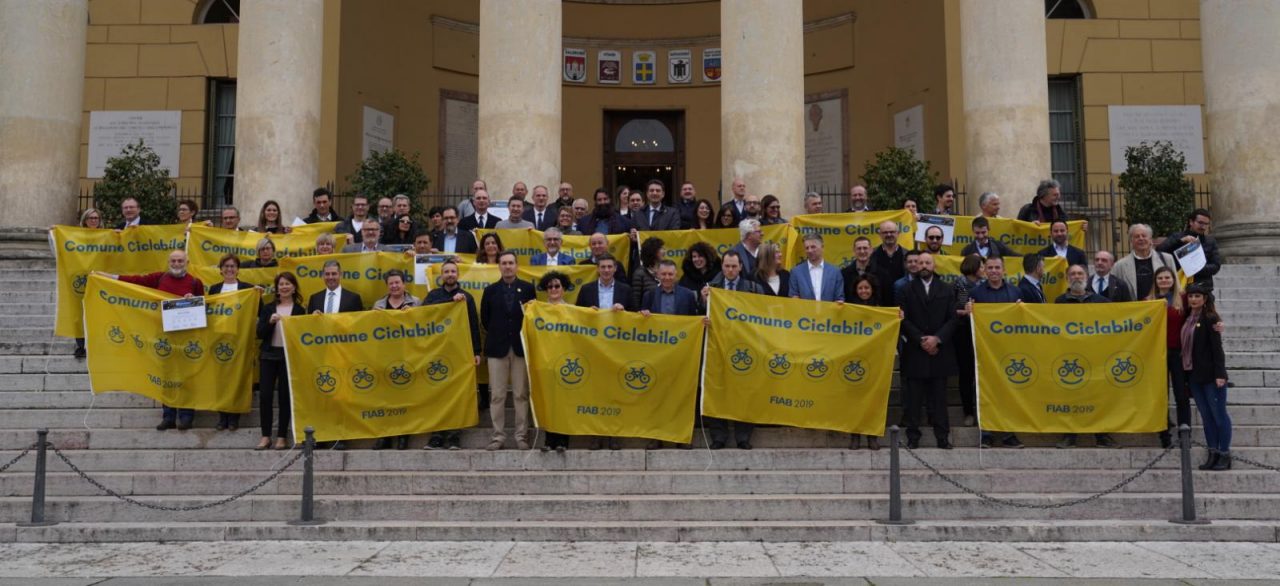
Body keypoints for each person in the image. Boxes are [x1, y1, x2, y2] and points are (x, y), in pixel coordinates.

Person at [94, 250, 204, 430]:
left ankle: (186, 416)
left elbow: (204, 306)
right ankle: (168, 415)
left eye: (180, 261)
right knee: (166, 377)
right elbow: (134, 281)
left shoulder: (195, 282)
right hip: (162, 337)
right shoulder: (159, 278)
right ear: (168, 262)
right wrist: (107, 277)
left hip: (186, 338)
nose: (177, 263)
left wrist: (194, 300)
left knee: (186, 378)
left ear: (187, 262)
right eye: (173, 261)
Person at [701, 251, 763, 450]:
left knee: (744, 392)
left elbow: (764, 316)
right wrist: (703, 304)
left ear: (741, 267)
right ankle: (718, 436)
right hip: (717, 346)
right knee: (716, 390)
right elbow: (696, 316)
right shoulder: (711, 288)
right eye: (727, 266)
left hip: (745, 347)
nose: (730, 270)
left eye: (734, 266)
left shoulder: (754, 289)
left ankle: (743, 436)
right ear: (722, 267)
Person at [1054, 264, 1119, 449]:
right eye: (1072, 274)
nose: (1076, 277)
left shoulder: (1102, 302)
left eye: (1080, 273)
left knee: (1098, 397)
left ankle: (1102, 435)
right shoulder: (1059, 302)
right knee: (1070, 398)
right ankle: (1069, 435)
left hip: (1096, 359)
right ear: (1067, 278)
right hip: (1069, 358)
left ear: (1087, 276)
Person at [965, 255, 1025, 449]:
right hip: (986, 353)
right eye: (989, 268)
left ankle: (1009, 433)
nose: (993, 271)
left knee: (1009, 393)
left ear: (1004, 270)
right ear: (984, 270)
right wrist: (969, 311)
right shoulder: (976, 293)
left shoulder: (1016, 292)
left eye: (997, 268)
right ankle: (987, 434)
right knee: (986, 392)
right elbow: (971, 323)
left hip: (1009, 351)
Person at [641, 259, 701, 450]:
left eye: (670, 274)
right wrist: (641, 316)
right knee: (656, 397)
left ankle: (681, 437)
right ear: (658, 275)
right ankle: (655, 436)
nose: (667, 278)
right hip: (656, 356)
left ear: (676, 275)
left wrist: (701, 323)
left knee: (681, 396)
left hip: (681, 355)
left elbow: (694, 320)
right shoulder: (649, 295)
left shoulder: (688, 295)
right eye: (663, 274)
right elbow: (639, 321)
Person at [898, 252, 956, 449]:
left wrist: (937, 339)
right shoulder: (906, 289)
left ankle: (942, 437)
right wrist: (921, 340)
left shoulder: (947, 289)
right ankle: (913, 437)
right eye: (920, 262)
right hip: (916, 351)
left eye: (927, 262)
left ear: (934, 265)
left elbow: (952, 319)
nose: (923, 265)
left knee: (939, 398)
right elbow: (903, 318)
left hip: (939, 352)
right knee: (914, 399)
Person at [423, 260, 483, 450]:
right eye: (446, 271)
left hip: (460, 352)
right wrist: (450, 302)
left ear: (458, 274)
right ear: (441, 275)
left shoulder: (467, 297)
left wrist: (476, 351)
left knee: (458, 395)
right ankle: (437, 435)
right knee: (437, 395)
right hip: (437, 353)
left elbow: (474, 325)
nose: (450, 274)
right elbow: (423, 316)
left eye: (453, 271)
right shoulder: (432, 296)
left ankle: (454, 436)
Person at [480, 251, 537, 450]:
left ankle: (521, 436)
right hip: (497, 348)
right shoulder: (490, 291)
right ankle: (498, 437)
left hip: (521, 348)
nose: (507, 266)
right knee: (497, 395)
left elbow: (531, 318)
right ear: (499, 266)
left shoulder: (528, 289)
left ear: (517, 265)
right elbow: (485, 320)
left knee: (521, 393)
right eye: (503, 263)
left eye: (511, 263)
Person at [305, 260, 364, 450]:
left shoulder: (353, 298)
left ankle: (341, 436)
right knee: (322, 397)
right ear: (323, 276)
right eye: (327, 274)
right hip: (320, 356)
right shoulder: (314, 298)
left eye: (334, 274)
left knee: (342, 398)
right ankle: (321, 435)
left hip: (344, 355)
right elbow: (307, 330)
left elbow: (359, 328)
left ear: (341, 275)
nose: (330, 277)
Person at [1183, 283, 1232, 471]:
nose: (1193, 299)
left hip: (1212, 376)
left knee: (1219, 415)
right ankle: (1212, 452)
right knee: (1206, 416)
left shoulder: (1210, 318)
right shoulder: (1188, 319)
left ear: (1204, 300)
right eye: (1190, 296)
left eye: (1197, 296)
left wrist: (1220, 374)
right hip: (1194, 375)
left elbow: (1217, 350)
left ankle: (1224, 454)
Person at [256, 272, 305, 451]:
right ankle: (265, 435)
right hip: (268, 356)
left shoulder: (300, 310)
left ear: (293, 287)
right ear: (277, 288)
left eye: (287, 284)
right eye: (281, 284)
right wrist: (269, 322)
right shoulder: (269, 308)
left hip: (288, 358)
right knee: (265, 396)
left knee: (285, 397)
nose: (284, 287)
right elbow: (259, 333)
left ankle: (282, 436)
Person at [371, 270, 419, 451]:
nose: (394, 286)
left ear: (404, 284)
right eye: (391, 283)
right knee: (385, 399)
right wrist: (372, 316)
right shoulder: (379, 304)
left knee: (404, 397)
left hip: (408, 356)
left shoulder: (415, 302)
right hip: (384, 356)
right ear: (387, 286)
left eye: (397, 282)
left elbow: (424, 326)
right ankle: (385, 435)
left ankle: (403, 435)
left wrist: (414, 314)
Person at [208, 254, 253, 432]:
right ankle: (222, 417)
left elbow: (255, 311)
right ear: (220, 269)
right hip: (218, 339)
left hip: (239, 339)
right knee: (220, 381)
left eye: (233, 266)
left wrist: (256, 294)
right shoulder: (214, 289)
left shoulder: (247, 288)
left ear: (238, 269)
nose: (229, 269)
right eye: (226, 266)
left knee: (236, 379)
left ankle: (234, 417)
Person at [1150, 266, 1193, 449]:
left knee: (1181, 394)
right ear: (1156, 281)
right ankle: (1164, 433)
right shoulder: (1148, 301)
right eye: (1160, 278)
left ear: (1173, 279)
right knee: (1161, 395)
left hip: (1178, 352)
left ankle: (1185, 432)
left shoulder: (1182, 299)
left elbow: (1196, 317)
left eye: (1167, 277)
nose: (1164, 281)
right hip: (1156, 355)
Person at [538, 271, 577, 453]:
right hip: (545, 362)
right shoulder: (538, 310)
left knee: (564, 403)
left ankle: (562, 440)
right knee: (548, 402)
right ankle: (549, 440)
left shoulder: (572, 311)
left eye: (557, 286)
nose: (553, 289)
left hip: (565, 362)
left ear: (563, 289)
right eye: (550, 286)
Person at [847, 273, 887, 450]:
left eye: (867, 288)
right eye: (861, 288)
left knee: (874, 401)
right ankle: (855, 435)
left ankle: (872, 436)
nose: (864, 291)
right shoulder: (848, 310)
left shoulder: (880, 310)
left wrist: (897, 316)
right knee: (854, 401)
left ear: (872, 290)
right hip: (854, 360)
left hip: (875, 361)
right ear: (856, 290)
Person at [952, 254, 985, 429]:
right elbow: (953, 308)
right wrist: (964, 312)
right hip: (963, 333)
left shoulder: (984, 286)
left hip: (982, 335)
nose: (984, 270)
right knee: (966, 375)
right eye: (981, 266)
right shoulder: (959, 285)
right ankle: (968, 412)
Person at [1157, 208, 1223, 289]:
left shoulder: (1210, 241)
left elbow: (1216, 266)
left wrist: (1193, 269)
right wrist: (1180, 241)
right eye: (1200, 223)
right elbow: (1159, 251)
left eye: (1206, 224)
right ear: (1191, 222)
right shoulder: (1177, 237)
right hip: (1178, 285)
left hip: (1202, 287)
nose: (1203, 227)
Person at [1113, 223, 1176, 302]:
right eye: (1137, 236)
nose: (1141, 238)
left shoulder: (1167, 259)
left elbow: (1176, 285)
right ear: (1131, 241)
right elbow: (1114, 291)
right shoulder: (1120, 265)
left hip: (1162, 308)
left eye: (1144, 236)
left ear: (1150, 239)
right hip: (1135, 310)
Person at [72, 208, 104, 358]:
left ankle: (96, 344)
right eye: (91, 218)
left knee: (97, 313)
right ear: (85, 220)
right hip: (81, 279)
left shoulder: (106, 236)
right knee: (80, 312)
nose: (93, 221)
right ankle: (80, 345)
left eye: (96, 218)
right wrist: (55, 235)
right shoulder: (76, 237)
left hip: (100, 279)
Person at [789, 233, 845, 302]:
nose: (809, 250)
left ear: (822, 247)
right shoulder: (796, 272)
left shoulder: (835, 272)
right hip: (804, 312)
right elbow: (793, 296)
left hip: (828, 312)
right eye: (807, 248)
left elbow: (839, 298)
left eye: (813, 247)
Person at [870, 220, 906, 307]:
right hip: (879, 306)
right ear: (880, 234)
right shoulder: (871, 255)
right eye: (885, 232)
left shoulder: (907, 255)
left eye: (892, 232)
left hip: (903, 305)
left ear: (898, 233)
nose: (889, 235)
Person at [631, 237, 664, 309]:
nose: (664, 251)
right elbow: (636, 301)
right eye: (660, 248)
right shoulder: (639, 274)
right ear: (652, 251)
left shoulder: (666, 270)